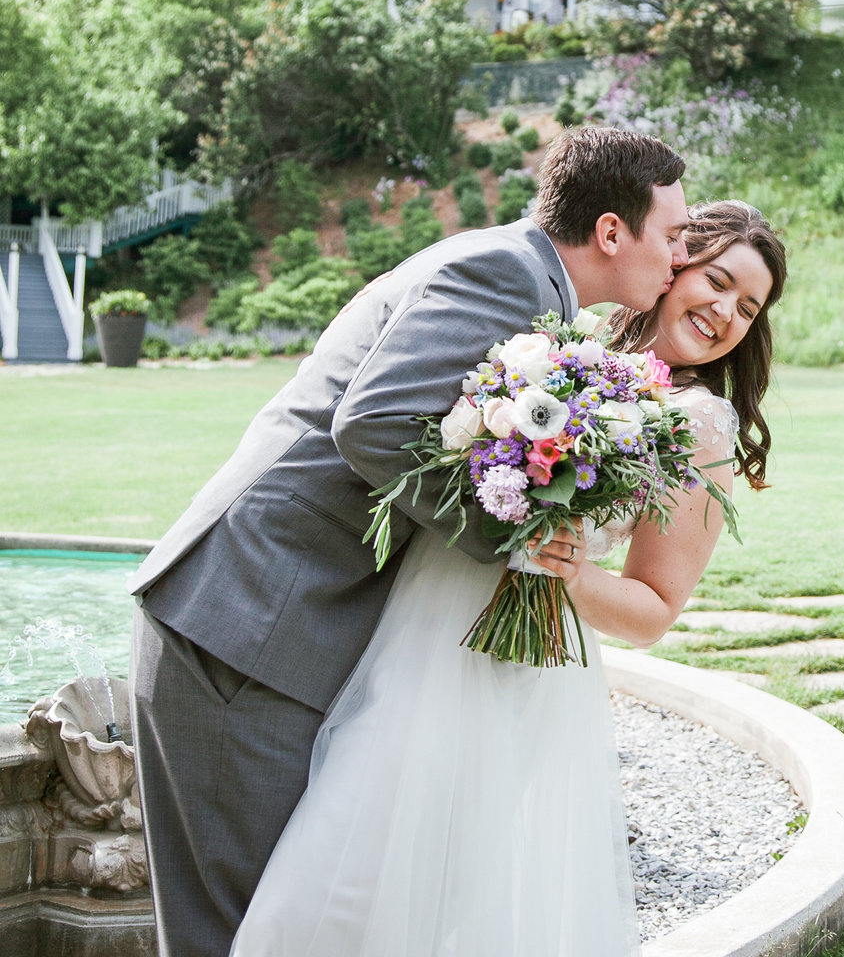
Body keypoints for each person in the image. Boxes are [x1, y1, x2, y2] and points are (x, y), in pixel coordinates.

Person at [128, 125, 691, 957]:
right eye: (674, 235)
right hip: (247, 620)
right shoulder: (502, 273)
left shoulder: (525, 278)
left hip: (273, 623)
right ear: (612, 231)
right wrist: (517, 540)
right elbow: (374, 423)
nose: (680, 256)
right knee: (237, 932)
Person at [228, 199, 787, 957]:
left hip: (507, 669)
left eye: (747, 307)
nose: (724, 312)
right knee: (330, 853)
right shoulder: (561, 342)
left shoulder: (701, 425)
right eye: (716, 281)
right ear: (673, 264)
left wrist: (569, 571)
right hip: (404, 627)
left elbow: (654, 610)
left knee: (392, 885)